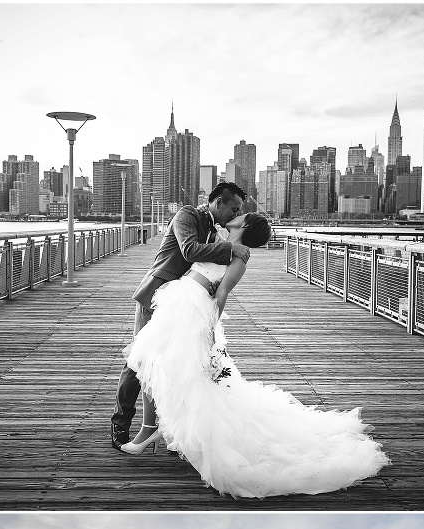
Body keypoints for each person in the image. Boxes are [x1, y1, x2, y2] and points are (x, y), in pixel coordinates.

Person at [121, 212, 390, 497]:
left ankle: (153, 429)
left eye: (242, 215)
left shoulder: (239, 260)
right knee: (150, 360)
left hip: (194, 312)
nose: (236, 215)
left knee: (163, 364)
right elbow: (190, 249)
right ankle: (153, 427)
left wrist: (210, 333)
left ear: (245, 225)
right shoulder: (220, 239)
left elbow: (221, 294)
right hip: (178, 299)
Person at [111, 182, 250, 451]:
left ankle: (167, 429)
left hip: (181, 305)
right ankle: (121, 424)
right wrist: (230, 250)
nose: (234, 215)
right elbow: (189, 250)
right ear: (218, 202)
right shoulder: (188, 215)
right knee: (139, 360)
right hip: (157, 296)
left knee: (171, 365)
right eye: (233, 209)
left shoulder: (214, 229)